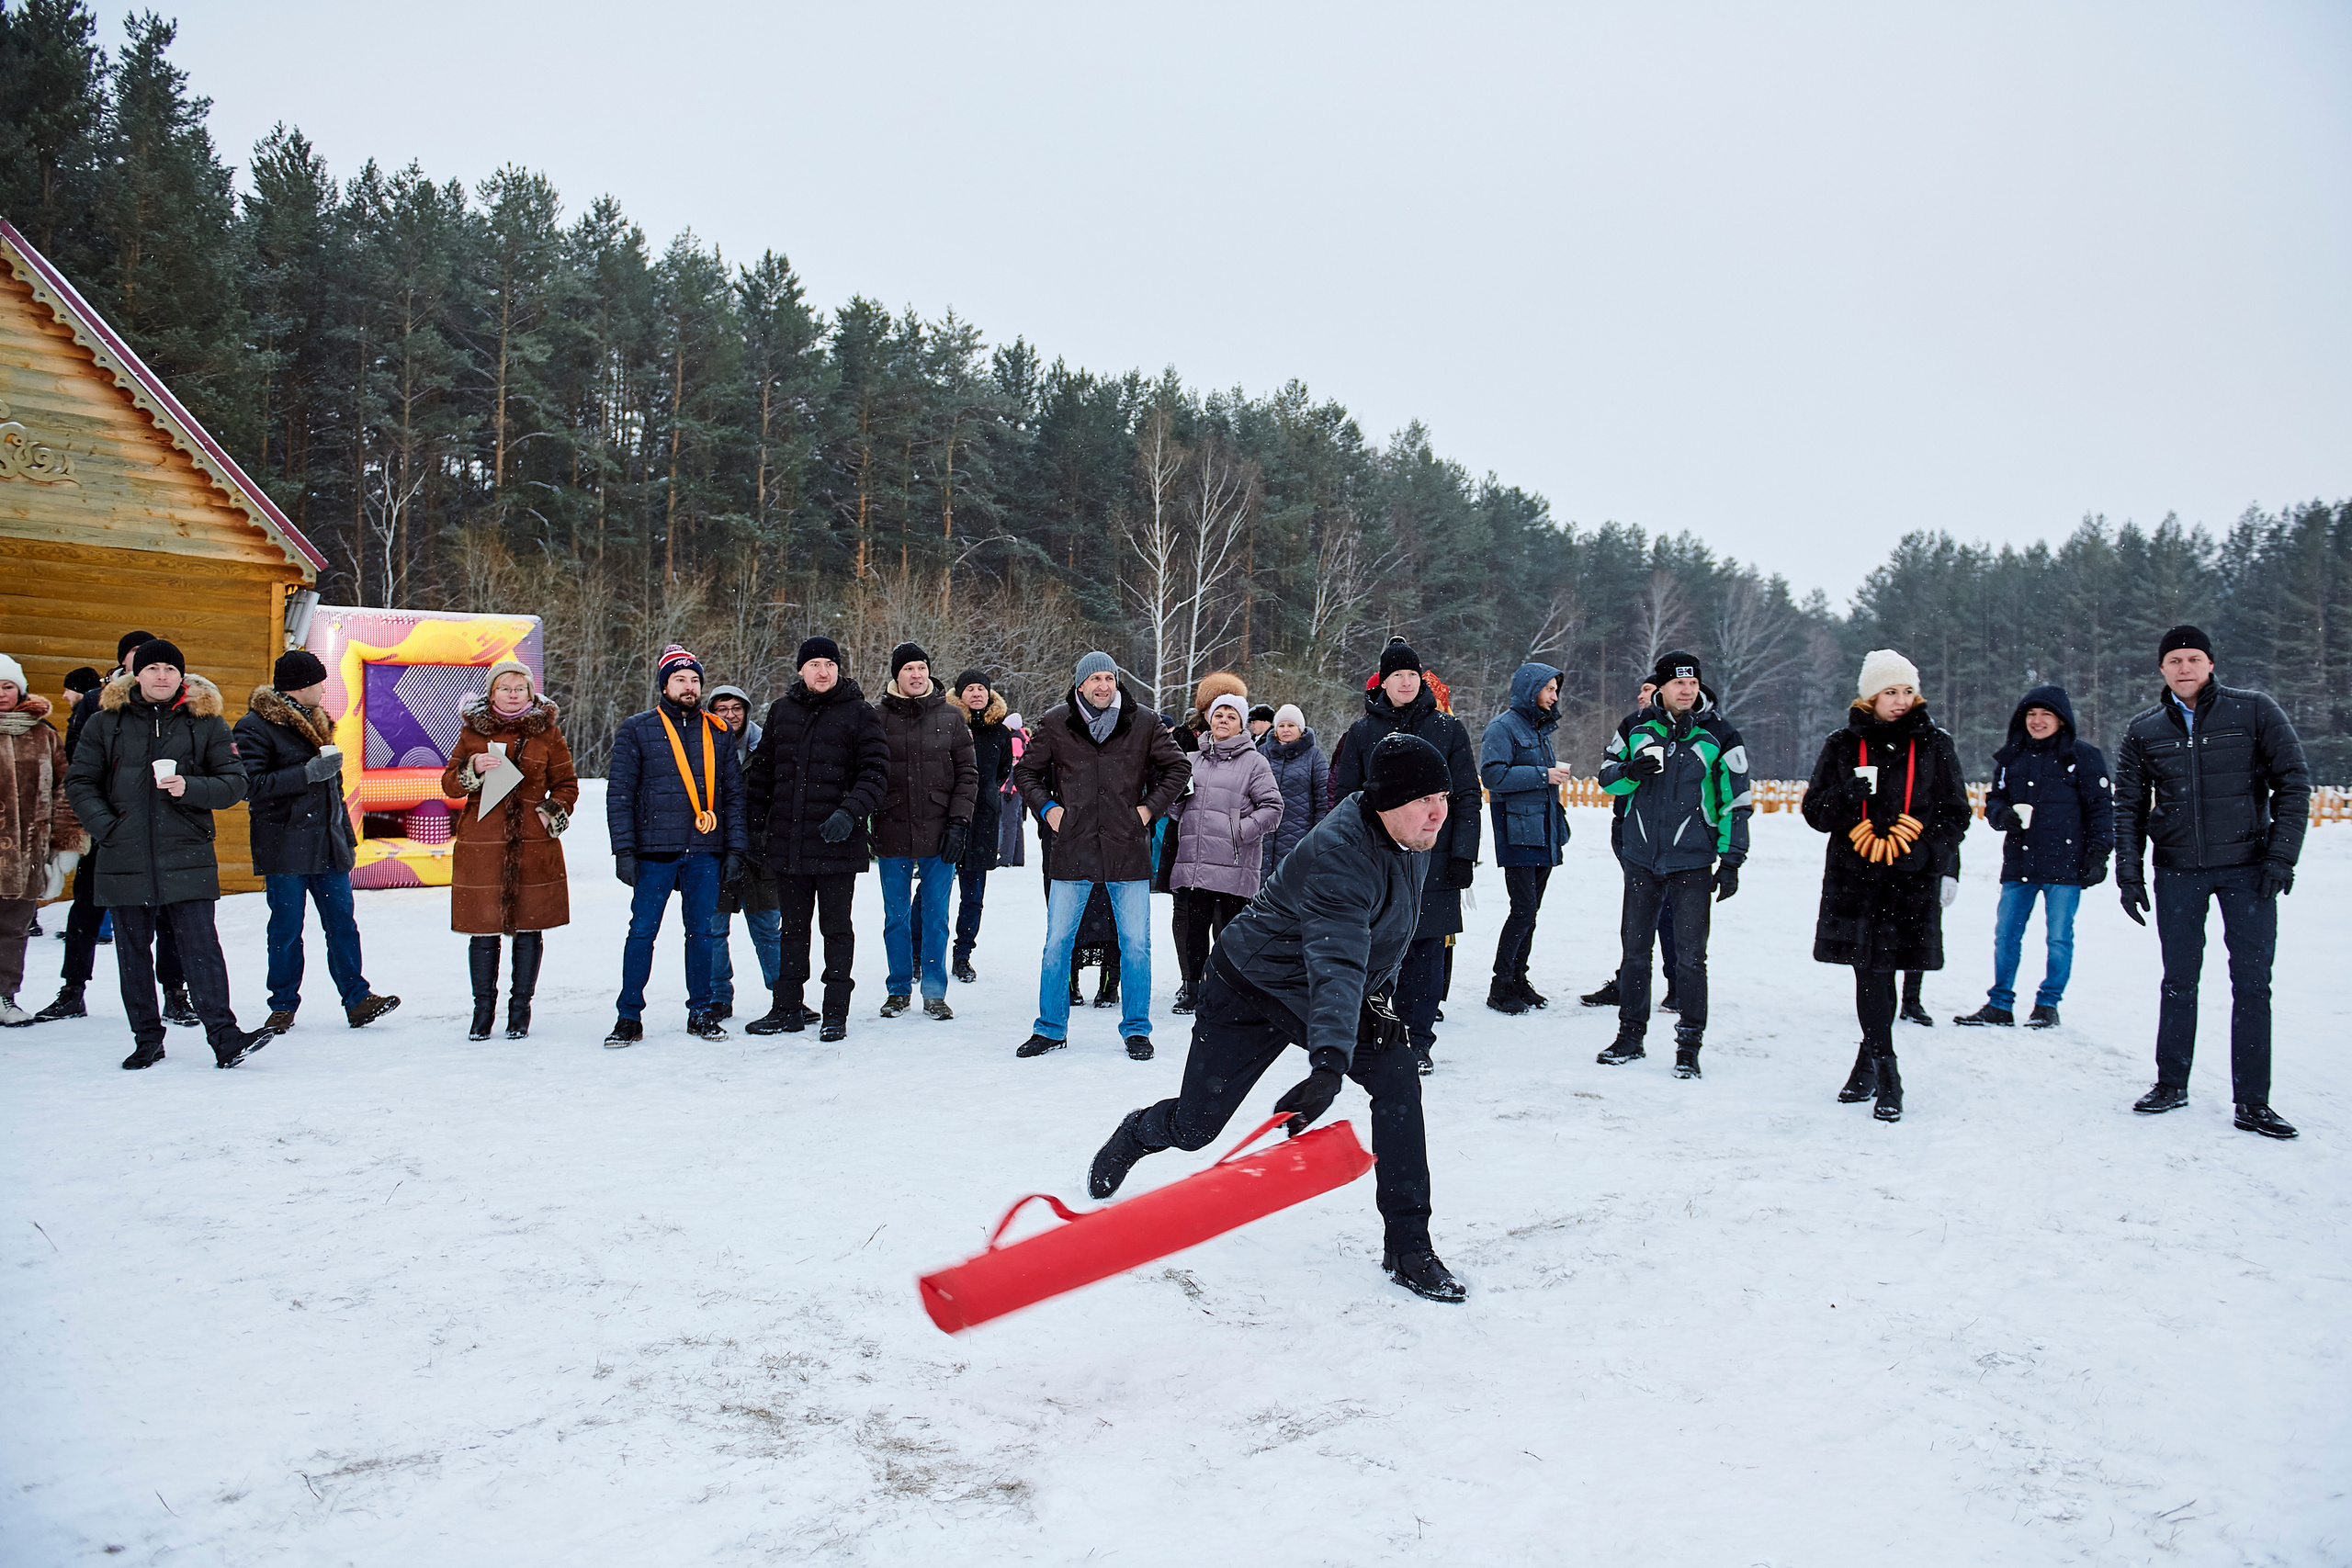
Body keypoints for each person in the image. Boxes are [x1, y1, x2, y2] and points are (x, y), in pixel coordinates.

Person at [1087, 733, 1466, 1303]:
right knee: (1197, 1128)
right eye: (1424, 799)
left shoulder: (1413, 834)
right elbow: (1337, 960)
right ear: (1386, 800)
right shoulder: (1340, 854)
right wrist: (1331, 1064)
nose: (1439, 810)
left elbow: (1386, 934)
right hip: (1250, 985)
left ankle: (1409, 1245)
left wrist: (1380, 1002)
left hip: (1317, 991)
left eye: (1443, 794)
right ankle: (1137, 1132)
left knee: (1398, 1082)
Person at [2113, 626, 2309, 1138]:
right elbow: (2128, 808)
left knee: (2251, 985)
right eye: (2174, 660)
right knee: (2179, 980)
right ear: (2161, 669)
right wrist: (2129, 875)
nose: (2184, 667)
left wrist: (2281, 856)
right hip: (2178, 871)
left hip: (2248, 869)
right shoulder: (2144, 729)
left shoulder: (2254, 710)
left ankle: (2253, 1102)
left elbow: (2293, 782)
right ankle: (2171, 1084)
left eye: (2193, 658)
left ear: (2211, 664)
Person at [63, 640, 272, 1069]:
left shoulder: (206, 723)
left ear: (182, 675)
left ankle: (225, 1038)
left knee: (202, 950)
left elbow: (235, 782)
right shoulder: (106, 723)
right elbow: (80, 783)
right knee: (132, 953)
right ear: (135, 674)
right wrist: (109, 828)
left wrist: (189, 788)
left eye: (170, 669)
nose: (162, 676)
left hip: (187, 851)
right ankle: (146, 1039)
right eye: (153, 668)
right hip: (124, 853)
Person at [1800, 649, 1971, 1122]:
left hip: (1910, 880)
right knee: (1870, 973)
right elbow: (1815, 813)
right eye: (1889, 692)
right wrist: (1844, 796)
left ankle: (1867, 1066)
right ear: (1870, 697)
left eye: (1907, 691)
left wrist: (1929, 851)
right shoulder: (1840, 744)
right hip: (1855, 881)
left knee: (1887, 973)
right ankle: (1888, 1073)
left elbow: (1957, 813)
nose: (1900, 700)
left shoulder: (1936, 744)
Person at [1012, 651, 1190, 1060]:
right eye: (1095, 679)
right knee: (1057, 943)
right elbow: (1025, 772)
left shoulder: (1143, 720)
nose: (1103, 686)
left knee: (1136, 944)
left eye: (1109, 678)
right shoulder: (1057, 722)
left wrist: (1147, 810)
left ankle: (1137, 1030)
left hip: (1127, 848)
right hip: (1072, 847)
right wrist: (1048, 809)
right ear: (1080, 685)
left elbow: (1178, 768)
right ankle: (1050, 1028)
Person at [1595, 651, 1752, 1077]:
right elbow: (1606, 777)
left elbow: (1736, 802)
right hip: (1642, 857)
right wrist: (1633, 770)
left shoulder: (1721, 733)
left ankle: (1689, 1046)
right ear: (1661, 687)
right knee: (1634, 953)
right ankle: (1630, 1036)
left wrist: (1732, 859)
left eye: (1693, 683)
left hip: (1693, 861)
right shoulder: (1635, 726)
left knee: (1690, 958)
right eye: (1679, 683)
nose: (1687, 690)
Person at [234, 649, 401, 1035]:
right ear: (303, 686)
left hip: (327, 845)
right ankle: (282, 1007)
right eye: (320, 683)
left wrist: (343, 835)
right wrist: (306, 773)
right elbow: (250, 786)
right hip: (284, 846)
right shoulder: (254, 727)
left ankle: (357, 999)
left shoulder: (319, 721)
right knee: (287, 929)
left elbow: (332, 790)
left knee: (343, 924)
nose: (325, 689)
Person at [1332, 640, 1480, 1072]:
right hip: (1378, 860)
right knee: (1374, 949)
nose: (1406, 682)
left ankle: (1418, 1041)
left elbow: (1468, 794)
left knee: (1426, 952)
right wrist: (1347, 854)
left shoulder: (1448, 729)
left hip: (1434, 856)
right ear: (1384, 681)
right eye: (1398, 675)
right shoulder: (1363, 732)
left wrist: (1464, 855)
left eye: (1413, 675)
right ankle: (1376, 1031)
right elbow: (1347, 798)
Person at [35, 632, 190, 1023]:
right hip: (111, 828)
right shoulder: (96, 703)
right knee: (87, 906)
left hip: (163, 828)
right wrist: (103, 820)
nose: (152, 670)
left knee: (169, 915)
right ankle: (73, 989)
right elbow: (78, 764)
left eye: (160, 664)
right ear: (126, 663)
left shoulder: (178, 705)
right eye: (140, 659)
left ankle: (175, 993)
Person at [742, 637, 890, 1041]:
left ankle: (835, 1013)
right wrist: (756, 830)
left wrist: (849, 812)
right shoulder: (782, 711)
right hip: (788, 845)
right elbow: (763, 776)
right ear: (801, 670)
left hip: (837, 844)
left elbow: (876, 772)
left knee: (836, 929)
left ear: (839, 669)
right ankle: (786, 1008)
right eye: (814, 665)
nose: (822, 671)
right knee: (791, 930)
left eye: (829, 664)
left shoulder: (860, 713)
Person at [605, 644, 747, 1047]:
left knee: (701, 933)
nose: (689, 687)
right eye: (680, 680)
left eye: (695, 680)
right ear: (664, 686)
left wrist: (735, 849)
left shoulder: (717, 732)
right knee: (642, 934)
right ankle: (628, 1015)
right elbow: (621, 794)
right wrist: (624, 851)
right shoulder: (637, 728)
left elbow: (733, 795)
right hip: (654, 852)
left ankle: (701, 1011)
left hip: (704, 851)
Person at [1953, 683, 2113, 1029]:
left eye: (2046, 715)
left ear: (2062, 720)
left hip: (2065, 864)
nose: (2037, 721)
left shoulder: (2084, 757)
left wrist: (2098, 854)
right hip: (2020, 861)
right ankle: (2000, 1004)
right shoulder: (2011, 757)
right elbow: (1994, 799)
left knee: (2058, 937)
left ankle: (2047, 1004)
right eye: (2031, 715)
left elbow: (2101, 810)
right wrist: (2001, 815)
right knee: (2006, 934)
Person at [443, 660, 578, 1041]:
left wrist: (546, 816)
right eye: (506, 687)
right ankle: (482, 1012)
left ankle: (520, 1011)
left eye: (521, 688)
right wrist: (472, 767)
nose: (514, 694)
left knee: (529, 927)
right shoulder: (473, 733)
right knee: (482, 929)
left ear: (531, 692)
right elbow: (451, 784)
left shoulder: (549, 733)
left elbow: (567, 785)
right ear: (491, 692)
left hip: (534, 845)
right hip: (482, 844)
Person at [871, 644, 978, 1021]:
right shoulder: (876, 717)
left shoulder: (950, 717)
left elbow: (968, 775)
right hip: (892, 829)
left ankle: (934, 990)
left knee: (936, 915)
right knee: (896, 916)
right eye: (909, 669)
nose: (917, 675)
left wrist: (959, 823)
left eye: (922, 668)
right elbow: (864, 773)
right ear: (896, 675)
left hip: (939, 830)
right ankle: (898, 988)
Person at [1170, 692, 1283, 998]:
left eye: (1232, 717)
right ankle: (1192, 987)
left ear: (1241, 725)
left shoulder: (1254, 762)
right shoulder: (1191, 760)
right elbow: (1177, 810)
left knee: (1228, 933)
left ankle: (1223, 988)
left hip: (1234, 863)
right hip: (1194, 862)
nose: (1224, 721)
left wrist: (1240, 831)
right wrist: (1175, 798)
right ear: (1209, 718)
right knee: (1191, 929)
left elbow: (1273, 808)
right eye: (1219, 714)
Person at [1480, 660, 1570, 1015]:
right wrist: (1543, 774)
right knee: (1522, 911)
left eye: (1555, 689)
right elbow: (1493, 776)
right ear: (1530, 689)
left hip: (1543, 832)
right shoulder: (1502, 728)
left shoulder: (1539, 729)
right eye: (1548, 688)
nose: (1554, 695)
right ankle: (1500, 985)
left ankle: (1519, 979)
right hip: (1517, 833)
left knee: (1530, 913)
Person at [0, 655, 86, 1025]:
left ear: (19, 688)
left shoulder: (43, 733)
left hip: (26, 853)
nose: (1, 693)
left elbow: (65, 789)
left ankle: (4, 997)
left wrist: (65, 844)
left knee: (13, 930)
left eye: (6, 686)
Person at [705, 683, 783, 1016]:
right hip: (713, 850)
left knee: (768, 928)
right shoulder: (700, 747)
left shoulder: (767, 745)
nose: (730, 715)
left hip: (760, 852)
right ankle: (718, 996)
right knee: (713, 930)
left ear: (747, 711)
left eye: (736, 708)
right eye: (722, 709)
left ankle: (784, 995)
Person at [944, 668, 1012, 983]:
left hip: (983, 819)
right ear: (960, 695)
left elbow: (1002, 772)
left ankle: (962, 955)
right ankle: (920, 953)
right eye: (969, 689)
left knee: (973, 896)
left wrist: (984, 796)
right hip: (948, 819)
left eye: (981, 689)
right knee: (934, 892)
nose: (976, 694)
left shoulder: (999, 731)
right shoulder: (947, 723)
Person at [1257, 703, 1328, 882]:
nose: (1286, 730)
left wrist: (1316, 835)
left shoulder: (1314, 756)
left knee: (1288, 886)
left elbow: (1323, 799)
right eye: (1281, 725)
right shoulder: (1261, 753)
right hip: (1262, 834)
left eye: (1291, 725)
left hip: (1298, 834)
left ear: (1300, 728)